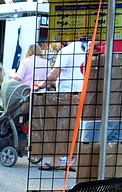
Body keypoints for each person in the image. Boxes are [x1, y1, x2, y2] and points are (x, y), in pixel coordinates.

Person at [36, 39, 88, 170]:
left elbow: (54, 74)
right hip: (82, 91)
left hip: (67, 94)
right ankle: (76, 161)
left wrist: (41, 85)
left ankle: (56, 160)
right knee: (78, 128)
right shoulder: (85, 49)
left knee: (60, 127)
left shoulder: (67, 51)